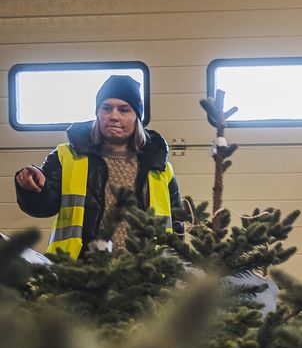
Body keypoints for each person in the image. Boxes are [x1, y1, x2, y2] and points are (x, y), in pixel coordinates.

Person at [14, 75, 182, 259]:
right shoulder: (67, 156)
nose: (114, 116)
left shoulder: (159, 167)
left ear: (137, 118)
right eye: (106, 108)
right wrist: (33, 189)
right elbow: (43, 206)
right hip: (81, 271)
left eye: (124, 110)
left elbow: (176, 223)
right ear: (98, 113)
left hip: (144, 274)